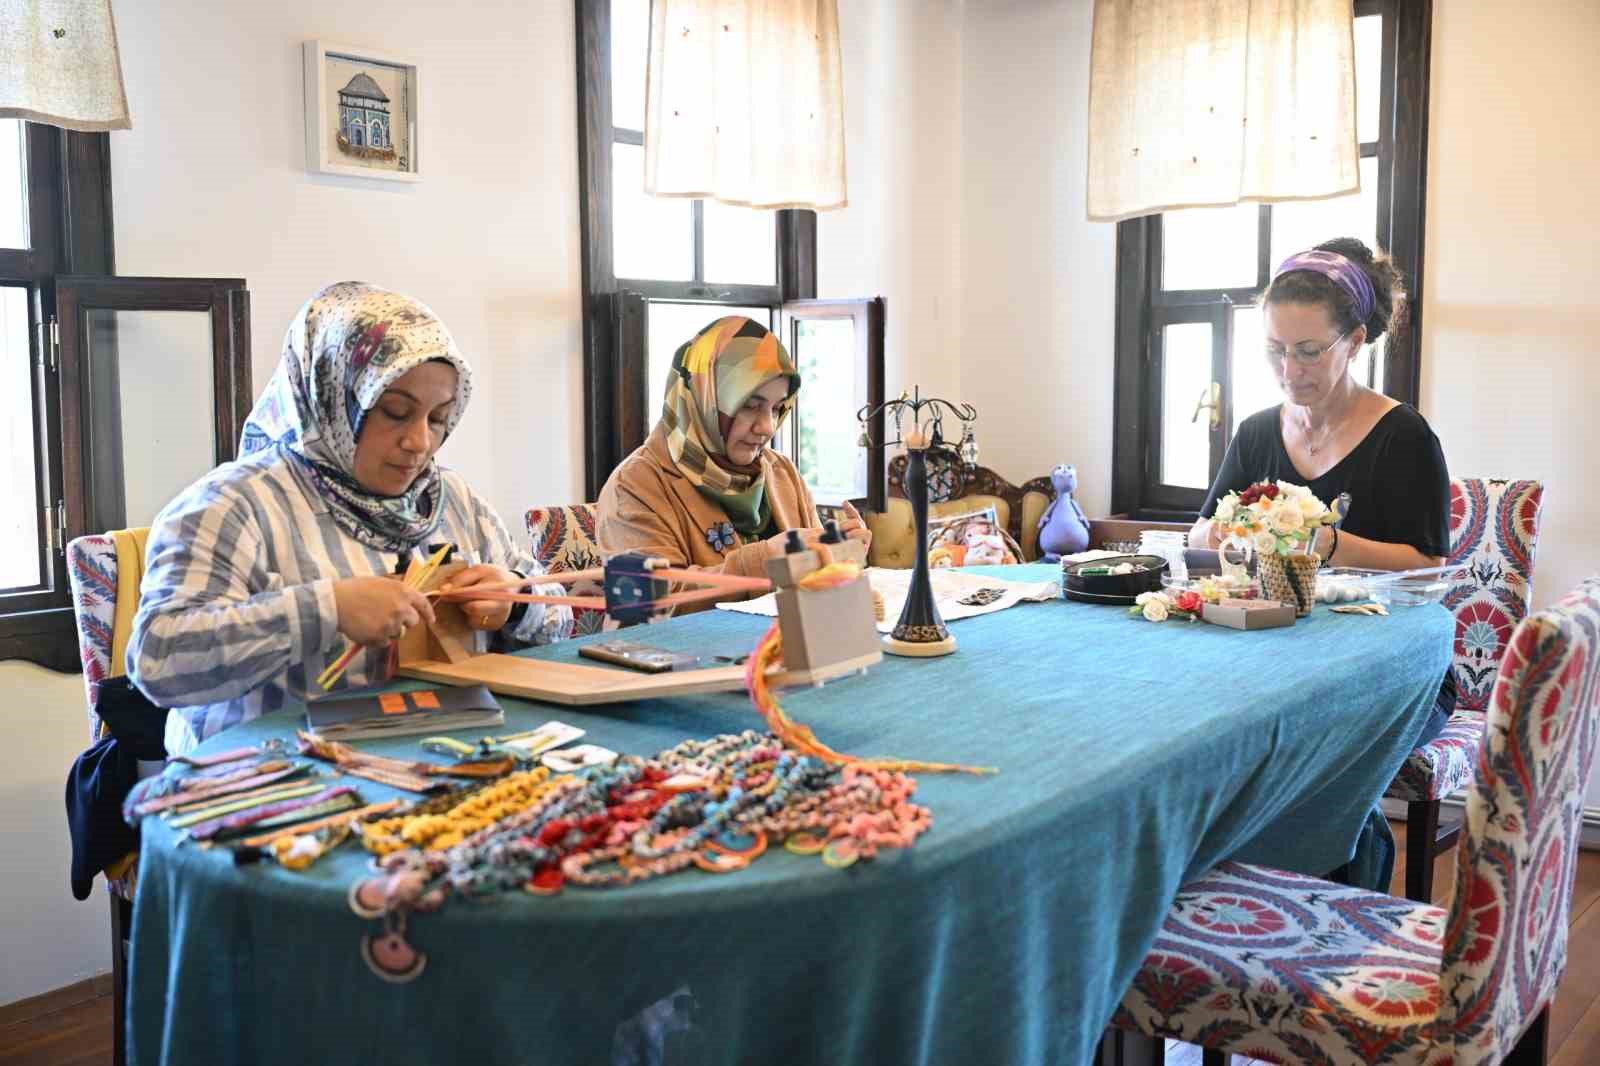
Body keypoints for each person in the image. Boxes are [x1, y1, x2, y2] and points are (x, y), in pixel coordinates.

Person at [128, 282, 571, 755]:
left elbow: (562, 612)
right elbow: (159, 660)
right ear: (331, 396)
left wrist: (518, 600)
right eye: (395, 412)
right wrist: (327, 609)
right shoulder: (232, 505)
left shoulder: (450, 500)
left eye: (439, 418)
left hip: (442, 757)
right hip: (276, 781)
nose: (419, 442)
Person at [1191, 237, 1454, 743]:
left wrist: (1325, 543)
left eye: (1309, 352)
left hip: (1392, 670)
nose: (1290, 371)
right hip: (1280, 660)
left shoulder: (1403, 436)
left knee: (1296, 743)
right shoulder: (1256, 432)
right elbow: (1201, 531)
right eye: (1275, 351)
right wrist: (1232, 532)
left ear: (1354, 342)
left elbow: (1426, 568)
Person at [596, 316, 870, 602]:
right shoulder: (634, 486)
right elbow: (648, 605)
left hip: (779, 644)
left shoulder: (781, 472)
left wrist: (842, 553)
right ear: (705, 400)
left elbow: (811, 586)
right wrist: (767, 560)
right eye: (750, 407)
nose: (767, 427)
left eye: (777, 408)